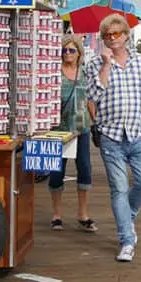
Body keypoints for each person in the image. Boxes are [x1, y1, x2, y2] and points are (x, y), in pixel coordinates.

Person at [86, 14, 141, 263]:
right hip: (111, 134)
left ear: (126, 35)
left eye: (117, 34)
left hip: (137, 133)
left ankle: (127, 217)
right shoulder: (94, 64)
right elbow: (93, 95)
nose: (112, 39)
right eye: (107, 36)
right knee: (118, 189)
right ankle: (126, 240)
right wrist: (106, 65)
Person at [48, 33, 97, 232]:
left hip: (81, 128)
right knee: (56, 172)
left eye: (71, 50)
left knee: (85, 169)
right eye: (64, 50)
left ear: (79, 53)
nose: (67, 54)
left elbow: (90, 99)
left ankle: (83, 213)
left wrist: (97, 123)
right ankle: (57, 214)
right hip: (57, 131)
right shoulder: (53, 73)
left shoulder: (85, 73)